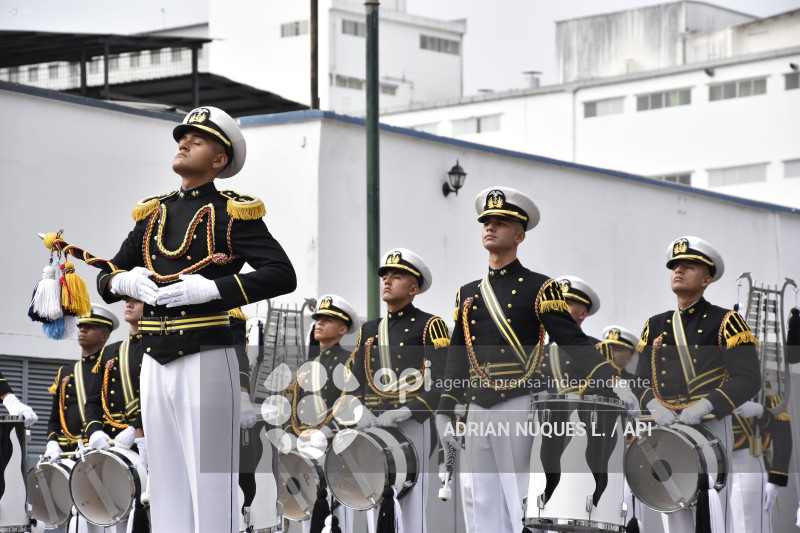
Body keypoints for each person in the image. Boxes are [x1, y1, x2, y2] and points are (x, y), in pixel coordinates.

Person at [96, 106, 296, 533]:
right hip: (153, 357)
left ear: (219, 160)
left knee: (211, 484)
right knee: (165, 482)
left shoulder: (231, 212)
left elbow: (282, 273)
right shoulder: (152, 213)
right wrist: (126, 281)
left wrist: (214, 289)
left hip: (206, 354)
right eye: (182, 138)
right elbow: (106, 276)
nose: (183, 143)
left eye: (197, 140)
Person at [436, 187, 637, 533]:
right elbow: (458, 357)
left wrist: (614, 381)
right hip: (477, 407)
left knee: (522, 504)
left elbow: (572, 340)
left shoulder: (541, 287)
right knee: (480, 502)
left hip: (518, 403)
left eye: (500, 222)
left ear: (519, 234)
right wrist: (444, 410)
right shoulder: (468, 293)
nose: (490, 227)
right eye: (486, 221)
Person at [634, 235, 760, 532]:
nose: (678, 271)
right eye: (675, 267)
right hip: (666, 426)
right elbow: (638, 380)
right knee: (673, 509)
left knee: (712, 514)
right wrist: (653, 405)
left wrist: (706, 404)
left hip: (710, 424)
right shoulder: (655, 324)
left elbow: (748, 378)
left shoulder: (726, 321)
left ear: (706, 279)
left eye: (688, 266)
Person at [347, 248, 450, 533]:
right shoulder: (370, 329)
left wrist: (408, 410)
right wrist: (359, 410)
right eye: (385, 276)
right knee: (373, 498)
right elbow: (355, 380)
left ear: (414, 288)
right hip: (373, 424)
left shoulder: (430, 325)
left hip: (412, 424)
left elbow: (440, 380)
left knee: (410, 504)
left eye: (397, 276)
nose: (387, 281)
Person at [286, 294, 359, 533]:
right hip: (305, 449)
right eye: (318, 318)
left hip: (335, 449)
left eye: (328, 319)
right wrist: (293, 437)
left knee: (338, 519)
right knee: (308, 515)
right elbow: (293, 408)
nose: (319, 323)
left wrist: (327, 432)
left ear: (343, 329)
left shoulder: (350, 362)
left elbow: (352, 405)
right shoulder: (306, 367)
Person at [45, 304, 119, 533]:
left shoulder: (111, 366)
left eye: (90, 327)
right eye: (80, 326)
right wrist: (52, 441)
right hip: (69, 453)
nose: (82, 331)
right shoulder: (65, 373)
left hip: (101, 453)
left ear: (105, 335)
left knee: (106, 515)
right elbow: (55, 417)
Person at [729, 395, 792, 533]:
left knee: (749, 526)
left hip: (748, 463)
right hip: (717, 462)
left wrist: (775, 479)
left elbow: (783, 438)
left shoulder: (765, 393)